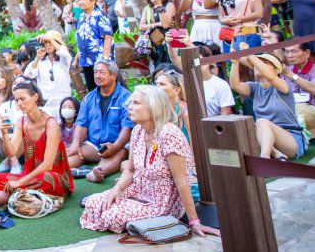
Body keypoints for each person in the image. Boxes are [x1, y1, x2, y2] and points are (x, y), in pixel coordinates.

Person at [80, 86, 217, 237]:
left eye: (136, 103)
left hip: (161, 202)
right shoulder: (138, 131)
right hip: (139, 190)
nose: (129, 107)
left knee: (110, 216)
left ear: (153, 108)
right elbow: (130, 170)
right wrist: (117, 189)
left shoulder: (169, 134)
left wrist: (194, 221)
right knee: (94, 203)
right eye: (130, 103)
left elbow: (181, 180)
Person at [0, 82, 74, 201]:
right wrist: (5, 134)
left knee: (48, 178)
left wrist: (20, 182)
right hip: (28, 177)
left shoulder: (51, 124)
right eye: (17, 100)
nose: (19, 104)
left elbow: (47, 165)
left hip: (52, 177)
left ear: (35, 97)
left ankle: (17, 193)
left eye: (22, 99)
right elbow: (12, 154)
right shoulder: (20, 122)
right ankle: (25, 194)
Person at [67, 59, 133, 183]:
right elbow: (81, 124)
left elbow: (127, 127)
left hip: (117, 144)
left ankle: (96, 173)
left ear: (114, 76)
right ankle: (61, 169)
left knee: (118, 154)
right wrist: (75, 144)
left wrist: (115, 146)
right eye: (95, 72)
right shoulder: (89, 98)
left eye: (102, 72)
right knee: (72, 155)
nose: (97, 76)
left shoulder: (126, 97)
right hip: (94, 144)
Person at [231, 53, 307, 159]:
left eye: (265, 63)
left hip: (290, 139)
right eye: (256, 64)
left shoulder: (283, 86)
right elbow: (235, 85)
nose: (258, 66)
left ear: (276, 70)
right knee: (246, 123)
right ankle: (275, 153)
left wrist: (250, 54)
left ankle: (265, 158)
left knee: (261, 121)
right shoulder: (254, 87)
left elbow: (270, 77)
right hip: (264, 138)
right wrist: (235, 62)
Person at [24, 30, 73, 118]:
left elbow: (64, 52)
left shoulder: (63, 60)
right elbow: (28, 75)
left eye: (50, 42)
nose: (47, 45)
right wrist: (38, 57)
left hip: (62, 105)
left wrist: (49, 38)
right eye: (45, 42)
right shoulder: (40, 60)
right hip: (45, 107)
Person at [74, 0, 114, 91]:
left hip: (98, 59)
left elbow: (108, 38)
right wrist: (76, 58)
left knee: (102, 89)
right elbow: (81, 38)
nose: (80, 2)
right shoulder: (81, 17)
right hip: (85, 60)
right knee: (91, 89)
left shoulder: (100, 15)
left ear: (93, 1)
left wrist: (105, 59)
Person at [282, 43, 315, 116]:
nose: (289, 55)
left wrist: (291, 75)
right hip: (293, 115)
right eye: (287, 52)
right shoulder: (286, 70)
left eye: (294, 51)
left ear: (307, 53)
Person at [139, 0, 176, 73]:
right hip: (155, 45)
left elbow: (166, 24)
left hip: (170, 43)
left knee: (171, 71)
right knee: (158, 71)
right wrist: (156, 24)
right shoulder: (147, 8)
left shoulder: (169, 5)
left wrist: (158, 4)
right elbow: (141, 26)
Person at [154, 70, 190, 141]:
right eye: (156, 83)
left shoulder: (186, 112)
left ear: (176, 90)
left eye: (162, 84)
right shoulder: (159, 109)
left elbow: (195, 146)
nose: (156, 87)